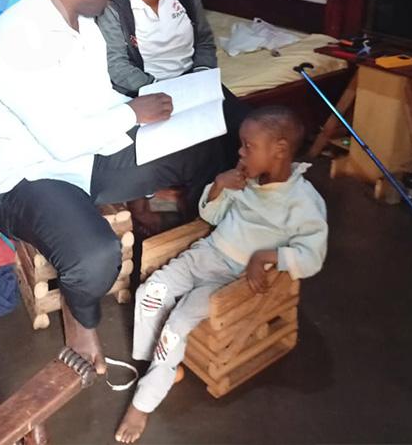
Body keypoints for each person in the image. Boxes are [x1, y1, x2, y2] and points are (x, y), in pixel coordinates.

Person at [0, 0, 220, 373]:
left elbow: (99, 102)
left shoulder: (82, 26)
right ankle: (80, 320)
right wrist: (134, 114)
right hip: (28, 177)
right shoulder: (18, 36)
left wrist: (148, 113)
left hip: (89, 157)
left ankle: (179, 227)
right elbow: (62, 140)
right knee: (97, 258)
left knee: (204, 141)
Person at [115, 105, 327, 444]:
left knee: (176, 325)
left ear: (280, 149)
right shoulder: (244, 179)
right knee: (150, 293)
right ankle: (149, 367)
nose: (240, 152)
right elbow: (211, 216)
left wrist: (266, 256)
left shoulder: (302, 202)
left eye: (248, 146)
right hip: (206, 255)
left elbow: (312, 256)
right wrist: (218, 186)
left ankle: (142, 403)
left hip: (229, 280)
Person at [96, 0, 247, 157]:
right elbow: (116, 64)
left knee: (243, 129)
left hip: (192, 82)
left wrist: (200, 75)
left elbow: (205, 40)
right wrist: (155, 88)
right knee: (186, 152)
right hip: (147, 89)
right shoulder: (116, 0)